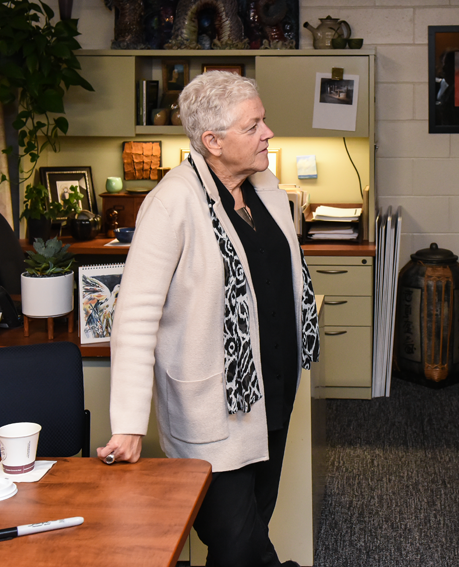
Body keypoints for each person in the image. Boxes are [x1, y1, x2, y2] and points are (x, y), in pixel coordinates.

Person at [96, 71, 319, 567]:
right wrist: (130, 424)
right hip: (212, 411)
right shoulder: (172, 201)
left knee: (248, 531)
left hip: (272, 398)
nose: (269, 133)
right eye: (254, 125)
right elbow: (133, 317)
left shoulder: (265, 188)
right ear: (212, 141)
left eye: (264, 120)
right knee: (240, 544)